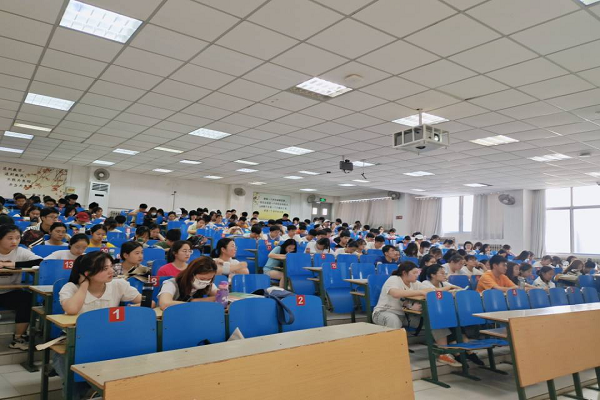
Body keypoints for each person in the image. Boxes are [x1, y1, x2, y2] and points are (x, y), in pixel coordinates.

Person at [372, 262, 461, 367]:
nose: (417, 275)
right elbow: (396, 293)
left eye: (417, 273)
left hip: (405, 316)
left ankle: (443, 354)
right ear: (404, 273)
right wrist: (421, 293)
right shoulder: (394, 279)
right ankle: (394, 356)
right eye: (414, 273)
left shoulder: (415, 283)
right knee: (394, 321)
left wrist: (450, 288)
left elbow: (432, 291)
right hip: (383, 313)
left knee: (434, 320)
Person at [0, 224, 42, 350]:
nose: (14, 241)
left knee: (27, 299)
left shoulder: (20, 251)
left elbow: (41, 262)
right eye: (10, 238)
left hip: (9, 292)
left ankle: (18, 338)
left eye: (17, 238)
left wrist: (13, 264)